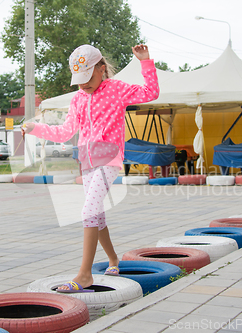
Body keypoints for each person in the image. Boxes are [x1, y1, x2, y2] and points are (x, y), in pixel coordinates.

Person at [22, 44, 159, 292]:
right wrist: (35, 128)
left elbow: (151, 92)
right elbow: (65, 133)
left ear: (102, 69)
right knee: (97, 215)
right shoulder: (77, 99)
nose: (83, 85)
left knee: (88, 210)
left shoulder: (117, 90)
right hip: (86, 161)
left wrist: (145, 62)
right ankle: (114, 258)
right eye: (79, 80)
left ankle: (84, 275)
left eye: (88, 78)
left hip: (109, 158)